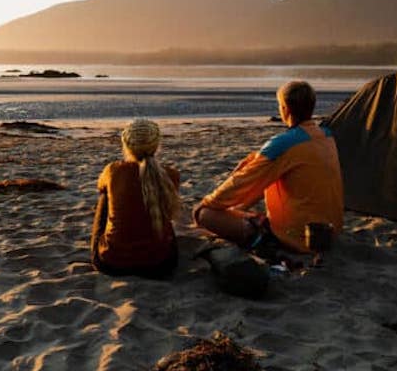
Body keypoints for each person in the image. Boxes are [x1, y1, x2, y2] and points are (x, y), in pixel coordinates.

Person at [192, 81, 343, 253]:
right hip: (329, 231)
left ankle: (262, 238)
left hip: (297, 236)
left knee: (205, 214)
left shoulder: (283, 144)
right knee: (259, 165)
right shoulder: (326, 136)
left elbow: (240, 182)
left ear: (285, 109)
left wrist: (206, 203)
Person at [91, 118, 181, 277]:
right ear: (157, 145)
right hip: (161, 265)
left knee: (105, 195)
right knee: (160, 202)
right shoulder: (170, 174)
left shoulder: (113, 170)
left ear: (125, 145)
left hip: (112, 263)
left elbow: (100, 187)